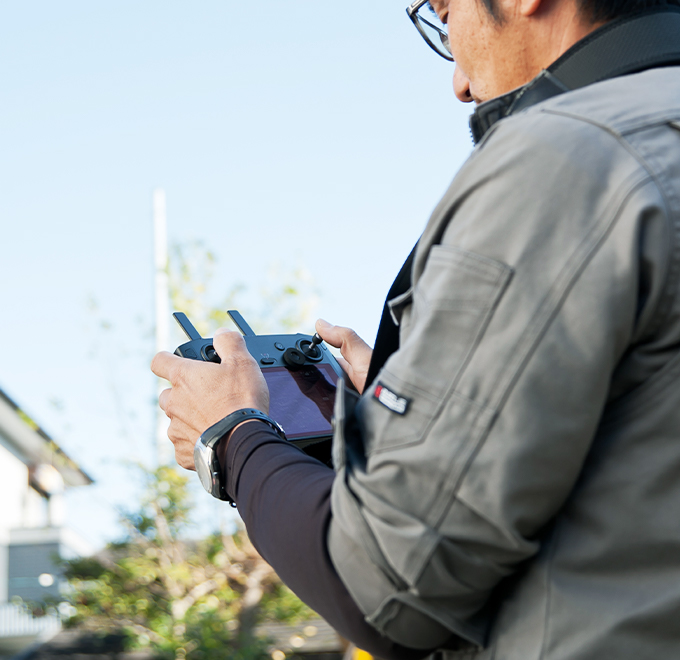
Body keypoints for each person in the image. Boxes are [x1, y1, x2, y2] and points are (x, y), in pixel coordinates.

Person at [151, 0, 680, 656]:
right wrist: (435, 404)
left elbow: (386, 591)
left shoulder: (567, 157)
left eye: (444, 10)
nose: (458, 82)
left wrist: (233, 436)